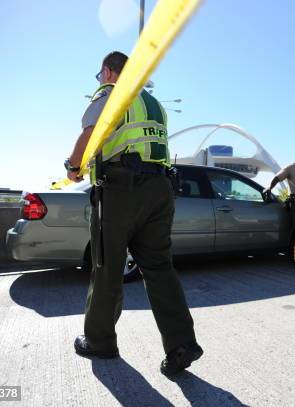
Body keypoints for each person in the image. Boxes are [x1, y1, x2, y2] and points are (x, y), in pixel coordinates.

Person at [65, 51, 202, 375]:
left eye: (100, 76)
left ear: (109, 71)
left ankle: (99, 342)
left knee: (107, 266)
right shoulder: (154, 104)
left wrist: (73, 168)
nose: (100, 82)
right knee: (159, 267)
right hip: (159, 188)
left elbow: (89, 133)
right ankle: (181, 343)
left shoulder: (111, 94)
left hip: (121, 189)